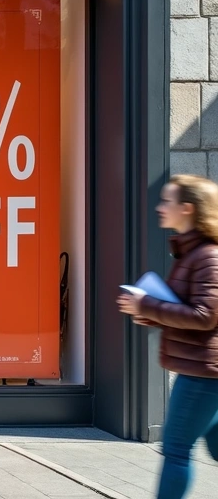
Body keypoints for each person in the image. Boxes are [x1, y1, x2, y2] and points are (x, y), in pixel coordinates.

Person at [117, 174, 218, 499]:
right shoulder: (192, 253)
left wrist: (147, 305)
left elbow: (204, 316)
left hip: (203, 372)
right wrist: (146, 311)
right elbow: (186, 308)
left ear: (188, 208)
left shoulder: (207, 257)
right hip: (202, 369)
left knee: (175, 449)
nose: (160, 207)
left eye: (167, 201)